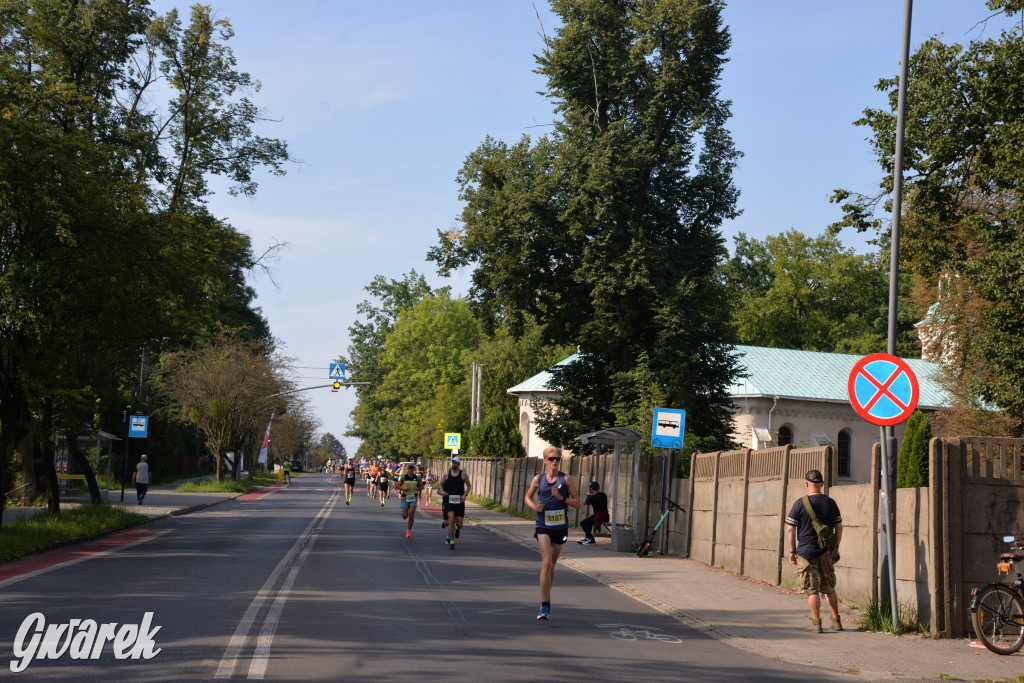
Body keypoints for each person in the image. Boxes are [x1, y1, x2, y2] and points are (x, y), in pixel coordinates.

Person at [524, 446, 581, 619]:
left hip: (560, 526)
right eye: (551, 459)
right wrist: (534, 506)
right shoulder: (538, 479)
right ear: (545, 461)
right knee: (547, 562)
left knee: (553, 565)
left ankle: (546, 592)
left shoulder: (566, 479)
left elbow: (578, 503)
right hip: (543, 524)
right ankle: (544, 605)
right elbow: (527, 497)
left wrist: (561, 498)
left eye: (557, 459)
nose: (555, 461)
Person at [786, 469, 844, 633]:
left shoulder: (799, 503)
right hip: (826, 551)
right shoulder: (830, 503)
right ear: (822, 484)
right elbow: (839, 527)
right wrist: (835, 548)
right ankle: (836, 621)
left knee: (812, 589)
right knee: (829, 587)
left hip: (806, 552)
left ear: (806, 484)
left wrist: (792, 551)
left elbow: (790, 529)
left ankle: (816, 623)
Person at [438, 456, 472, 550]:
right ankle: (452, 541)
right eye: (453, 462)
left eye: (456, 463)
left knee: (460, 524)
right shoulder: (446, 474)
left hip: (459, 501)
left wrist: (465, 495)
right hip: (449, 501)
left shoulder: (463, 474)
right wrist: (442, 491)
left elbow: (469, 486)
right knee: (451, 520)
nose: (454, 464)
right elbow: (440, 485)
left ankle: (457, 529)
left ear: (459, 464)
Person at [398, 465, 423, 537]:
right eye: (410, 468)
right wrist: (403, 489)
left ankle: (408, 531)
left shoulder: (417, 477)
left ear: (414, 469)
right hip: (405, 497)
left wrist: (418, 488)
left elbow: (421, 486)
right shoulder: (403, 477)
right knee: (405, 516)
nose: (411, 470)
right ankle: (406, 514)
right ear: (407, 469)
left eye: (412, 468)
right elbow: (397, 485)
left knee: (411, 513)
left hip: (413, 497)